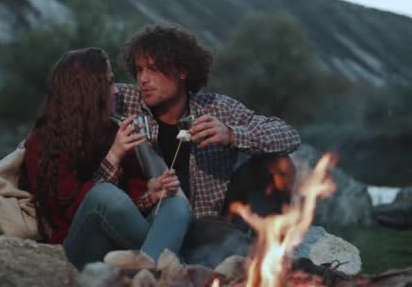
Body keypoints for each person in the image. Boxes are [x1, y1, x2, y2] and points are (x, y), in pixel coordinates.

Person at [115, 24, 301, 265]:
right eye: (139, 70)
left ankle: (268, 245)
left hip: (213, 216)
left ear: (183, 71)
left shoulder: (216, 107)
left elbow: (289, 135)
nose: (143, 79)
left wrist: (231, 135)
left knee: (279, 164)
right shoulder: (126, 101)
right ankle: (279, 265)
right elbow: (89, 91)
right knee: (206, 232)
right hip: (158, 219)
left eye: (153, 68)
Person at [23, 47, 191, 270]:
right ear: (88, 91)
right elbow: (67, 212)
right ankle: (174, 267)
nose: (116, 91)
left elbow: (127, 209)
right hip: (79, 248)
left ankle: (146, 276)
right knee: (104, 194)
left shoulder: (113, 130)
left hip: (122, 248)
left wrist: (151, 194)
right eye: (109, 83)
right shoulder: (43, 141)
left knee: (176, 203)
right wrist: (113, 157)